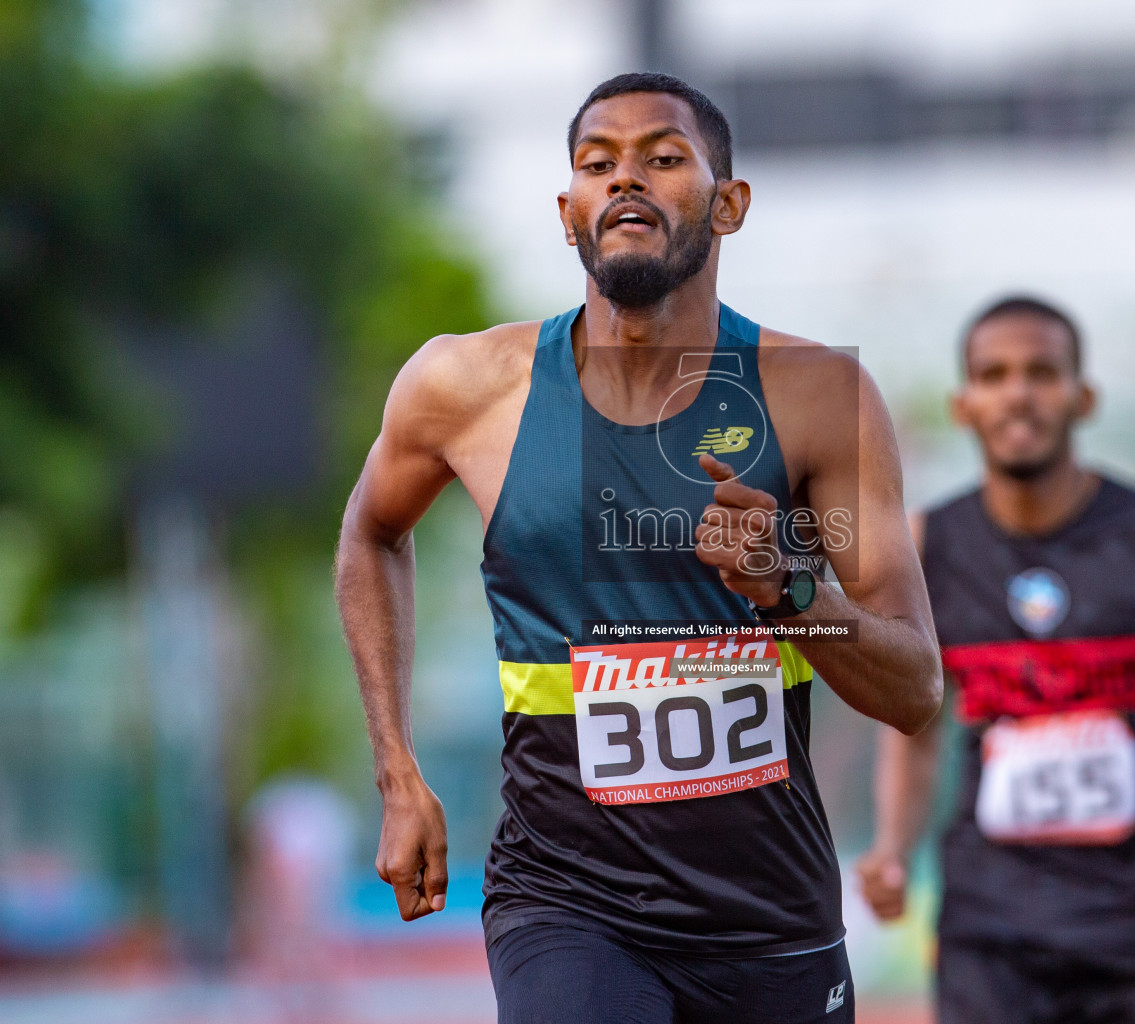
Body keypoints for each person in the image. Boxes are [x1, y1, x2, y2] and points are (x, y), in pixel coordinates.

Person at [335, 72, 942, 1024]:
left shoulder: (817, 396)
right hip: (566, 902)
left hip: (770, 919)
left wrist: (791, 589)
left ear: (729, 204)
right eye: (598, 164)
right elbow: (372, 531)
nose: (627, 181)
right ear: (568, 210)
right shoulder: (467, 388)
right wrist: (397, 770)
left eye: (663, 159)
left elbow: (913, 688)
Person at [855, 296, 1135, 1023]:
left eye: (1042, 372)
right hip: (989, 939)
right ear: (963, 405)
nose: (1018, 392)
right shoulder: (928, 547)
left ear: (1082, 396)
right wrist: (894, 845)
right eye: (993, 375)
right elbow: (916, 726)